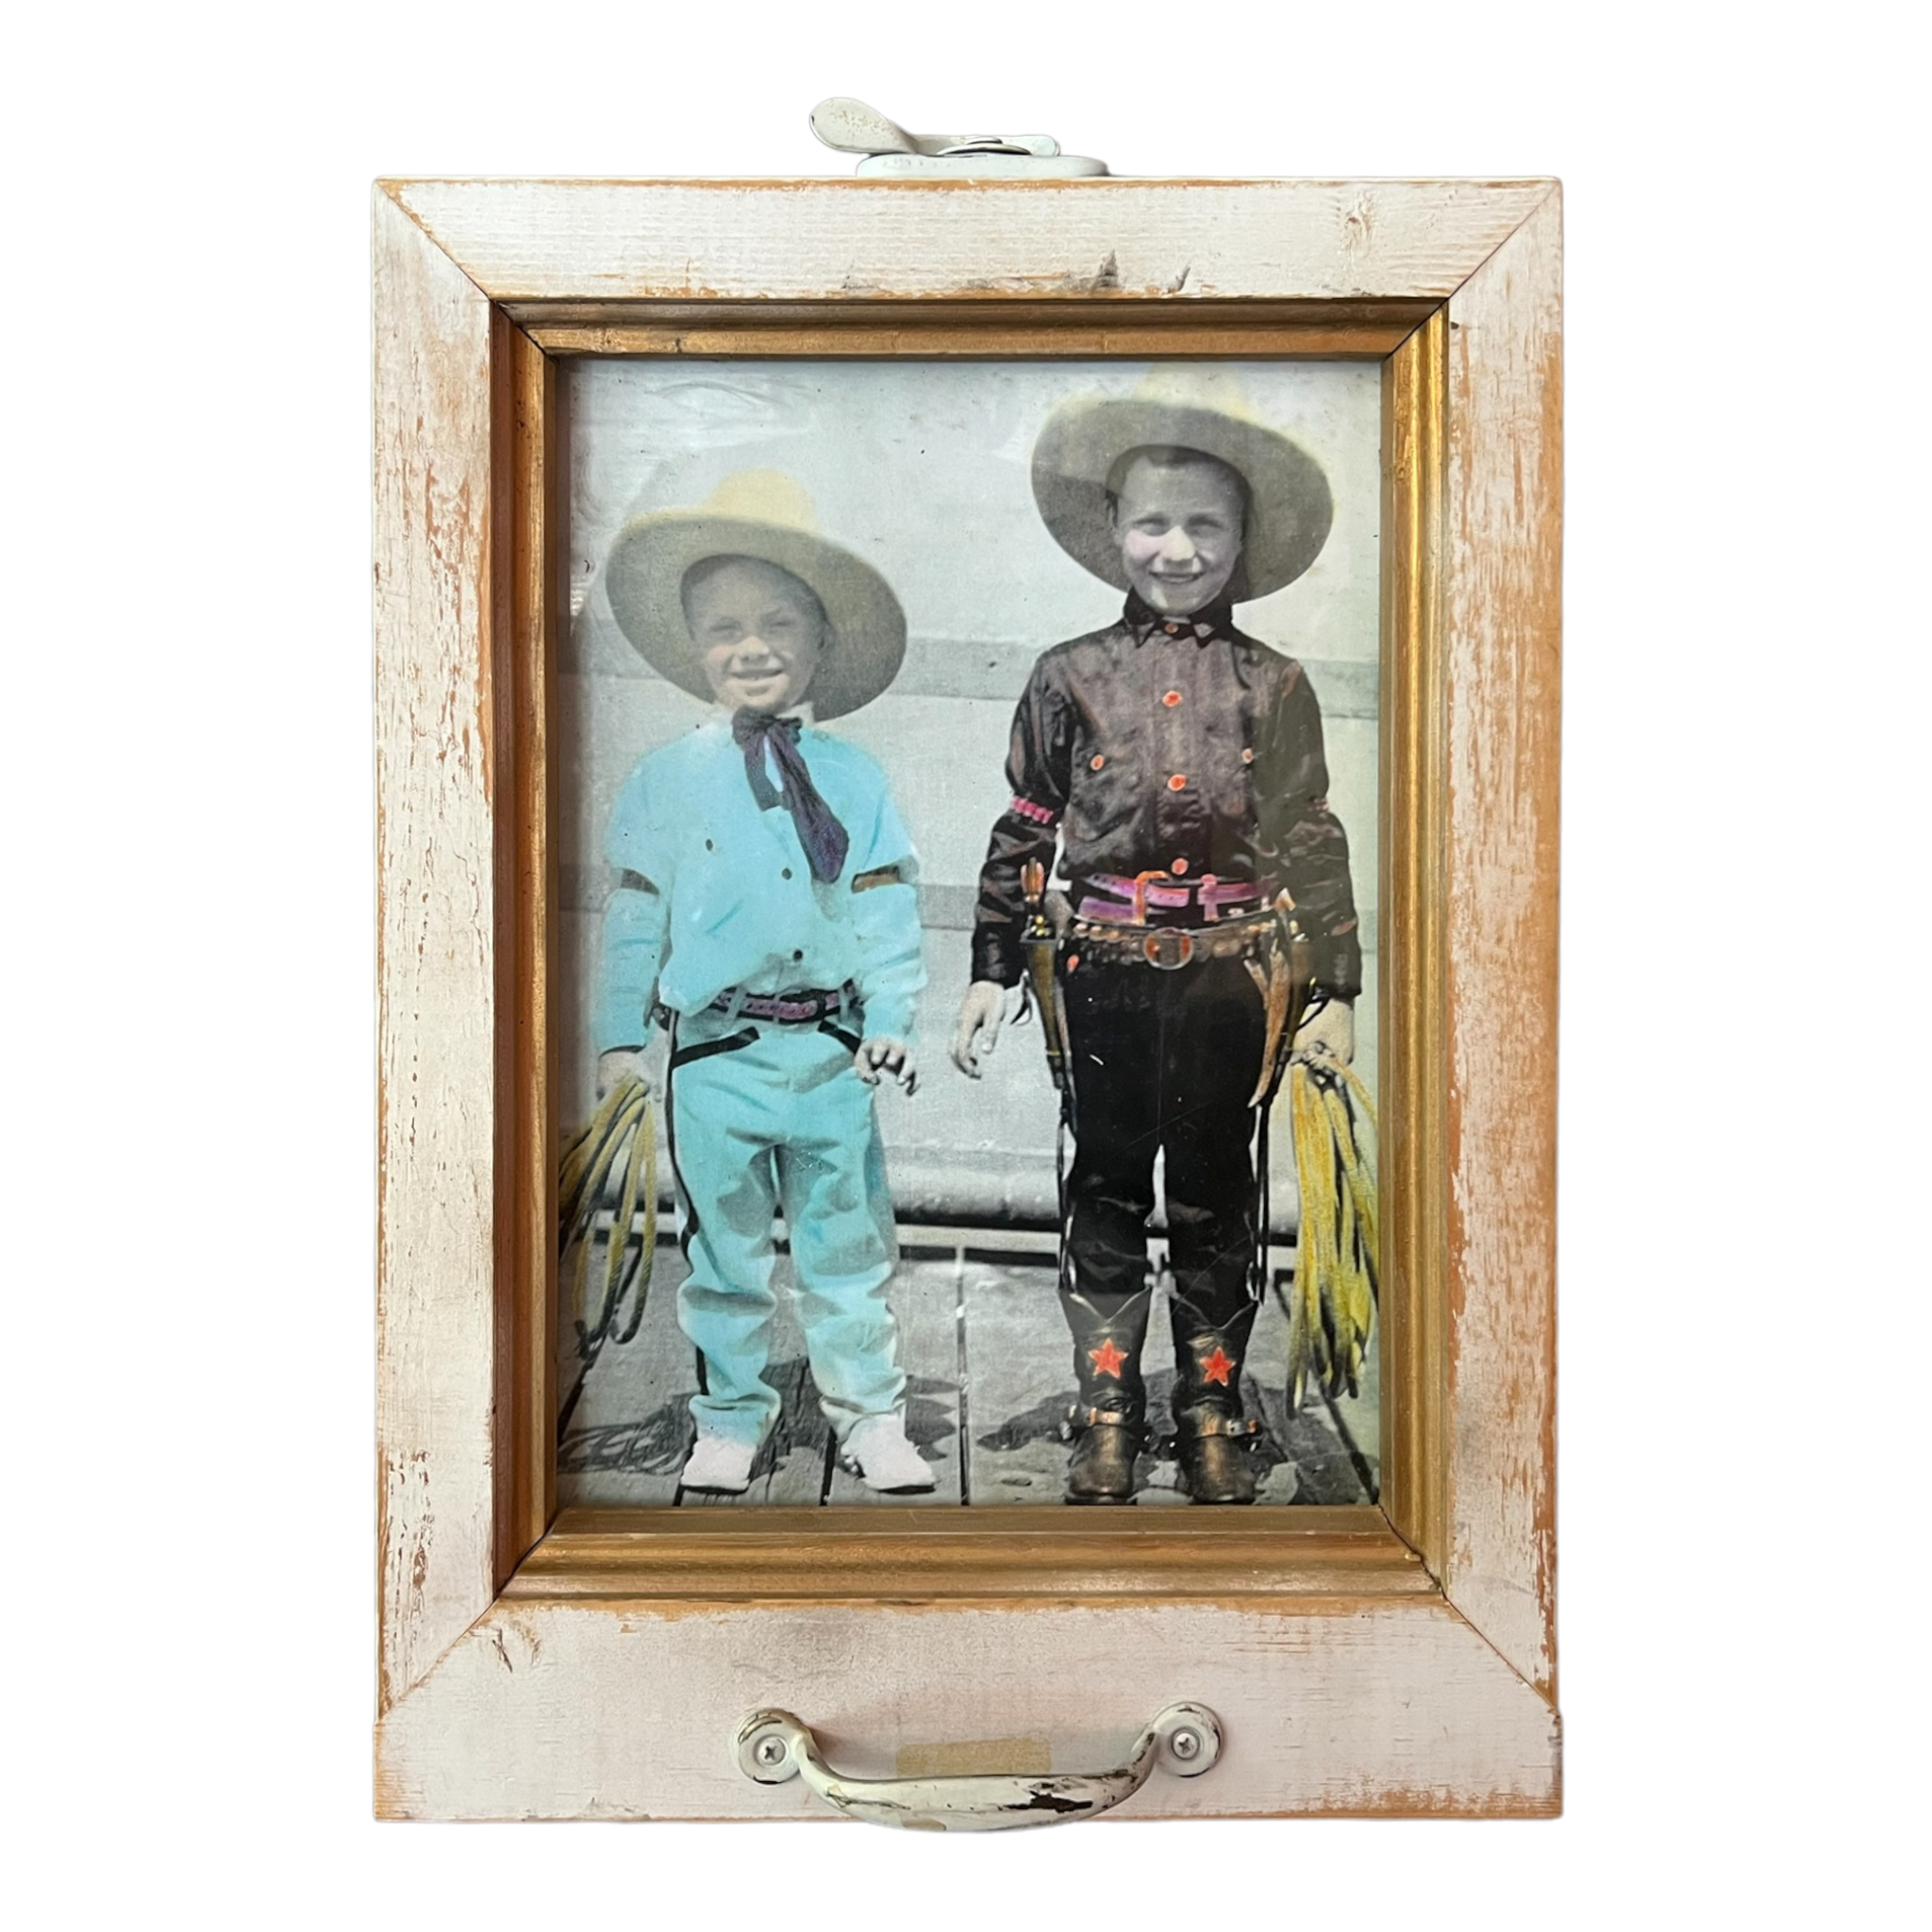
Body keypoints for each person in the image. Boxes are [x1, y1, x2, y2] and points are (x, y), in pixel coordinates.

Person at [950, 375, 1361, 1506]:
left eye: (1203, 525)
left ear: (1240, 541)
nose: (1174, 549)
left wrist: (1332, 984)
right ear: (1111, 530)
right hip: (1102, 978)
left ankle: (1213, 1405)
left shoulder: (1274, 684)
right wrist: (991, 968)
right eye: (1150, 521)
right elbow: (1027, 824)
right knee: (1105, 1188)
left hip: (1235, 979)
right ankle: (1106, 1409)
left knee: (1219, 1196)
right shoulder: (1065, 674)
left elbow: (1307, 827)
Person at [594, 470, 932, 1496]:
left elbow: (883, 906)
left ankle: (869, 1417)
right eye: (725, 626)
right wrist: (621, 1035)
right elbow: (636, 911)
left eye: (779, 621)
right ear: (693, 644)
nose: (753, 646)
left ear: (822, 639)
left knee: (846, 1248)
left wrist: (889, 1017)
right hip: (716, 1056)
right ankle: (729, 1418)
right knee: (723, 1257)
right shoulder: (665, 777)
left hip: (829, 1056)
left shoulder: (857, 777)